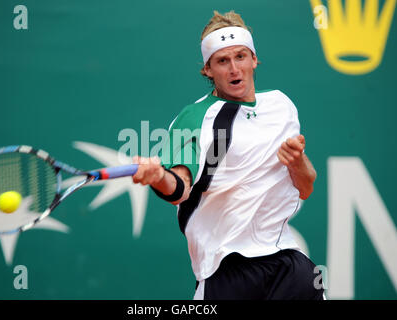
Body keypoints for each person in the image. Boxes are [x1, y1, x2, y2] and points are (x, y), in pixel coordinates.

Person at [131, 10, 324, 300]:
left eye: (241, 57)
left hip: (288, 263)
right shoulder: (196, 118)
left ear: (254, 60)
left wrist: (297, 161)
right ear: (208, 69)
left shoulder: (281, 106)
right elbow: (179, 187)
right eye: (223, 61)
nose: (234, 69)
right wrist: (158, 175)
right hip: (226, 271)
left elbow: (306, 187)